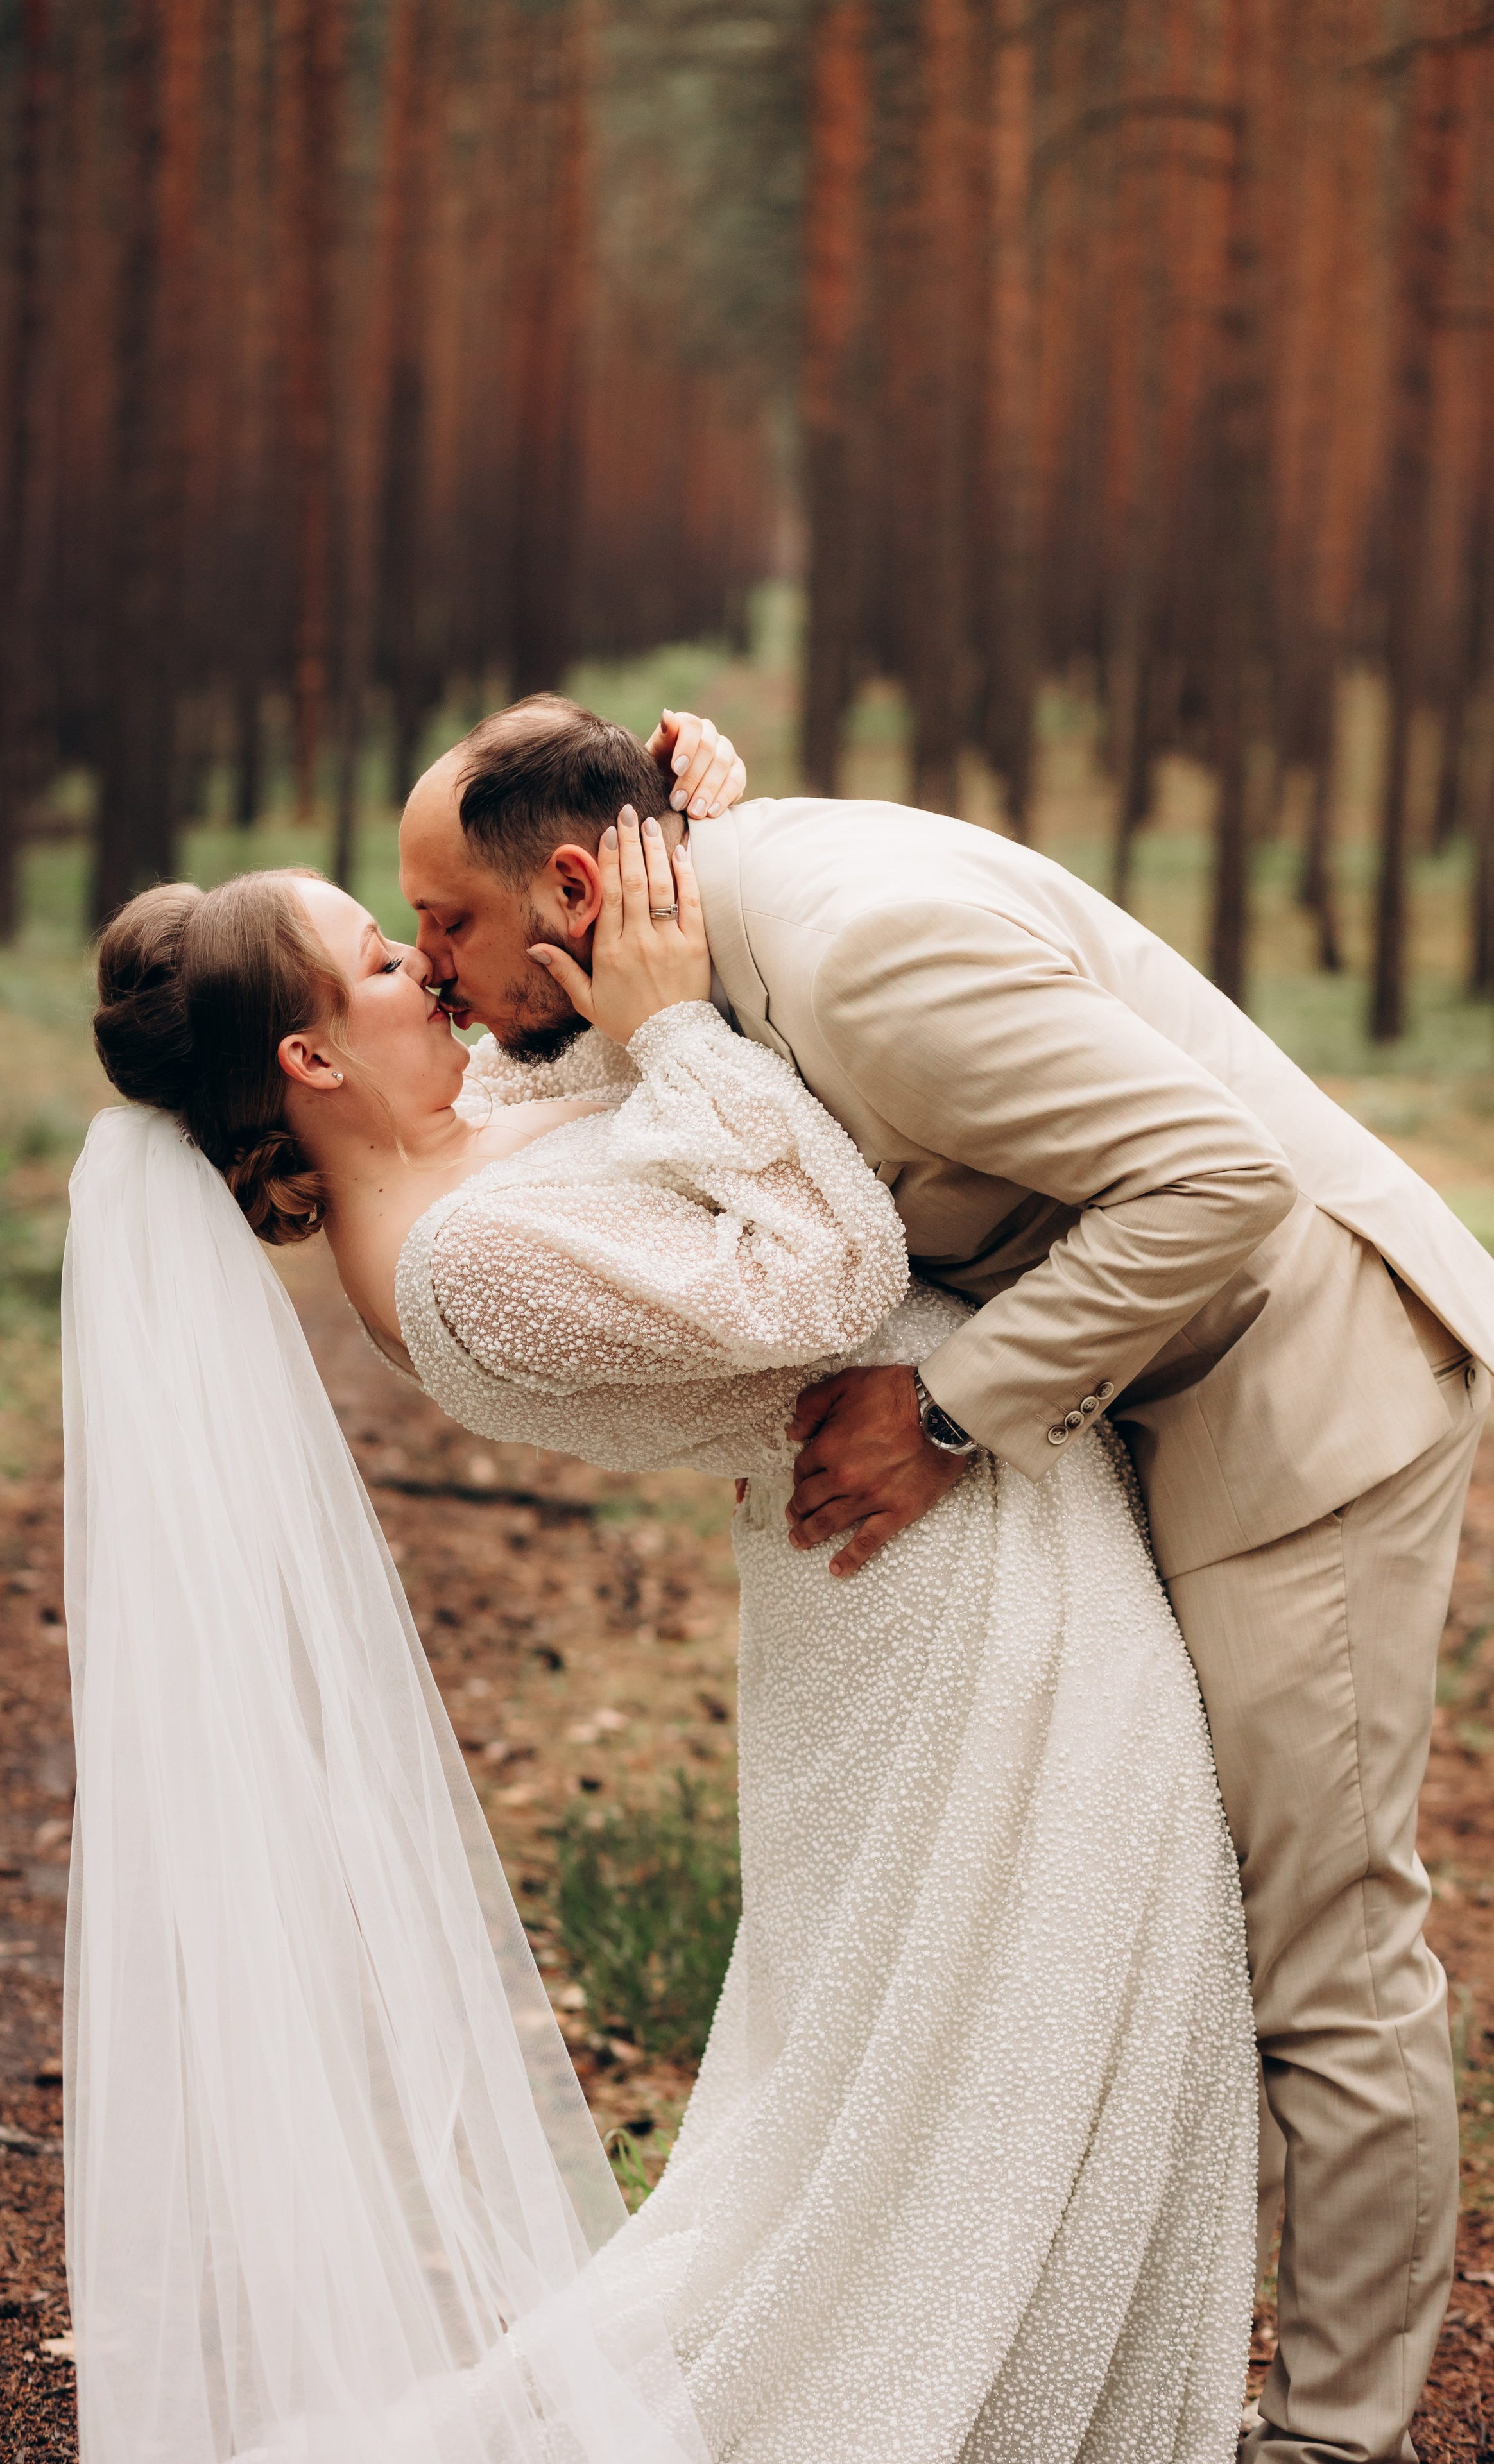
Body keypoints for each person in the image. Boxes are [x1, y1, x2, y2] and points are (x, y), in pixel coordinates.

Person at [65, 723, 1258, 2461]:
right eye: (395, 958)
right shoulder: (465, 1274)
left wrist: (667, 827)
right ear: (313, 1053)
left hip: (936, 1544)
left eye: (429, 936)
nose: (437, 977)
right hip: (945, 1586)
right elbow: (827, 1267)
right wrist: (683, 1025)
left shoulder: (451, 1160)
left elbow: (592, 1059)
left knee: (981, 2063)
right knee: (987, 2070)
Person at [399, 695, 1494, 2464]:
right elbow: (570, 1079)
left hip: (1310, 1404)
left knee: (1327, 1953)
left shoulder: (864, 955)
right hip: (1160, 1388)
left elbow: (1215, 1182)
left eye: (446, 924)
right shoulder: (688, 941)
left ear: (582, 885)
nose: (432, 966)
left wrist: (949, 1412)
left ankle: (1339, 2442)